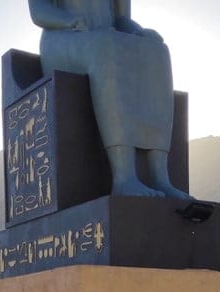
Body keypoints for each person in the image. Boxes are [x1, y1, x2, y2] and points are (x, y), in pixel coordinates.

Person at [28, 0, 190, 200]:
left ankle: (160, 177)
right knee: (106, 46)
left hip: (106, 37)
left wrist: (138, 32)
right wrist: (70, 21)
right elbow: (38, 11)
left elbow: (122, 20)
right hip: (63, 37)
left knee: (158, 52)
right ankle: (124, 177)